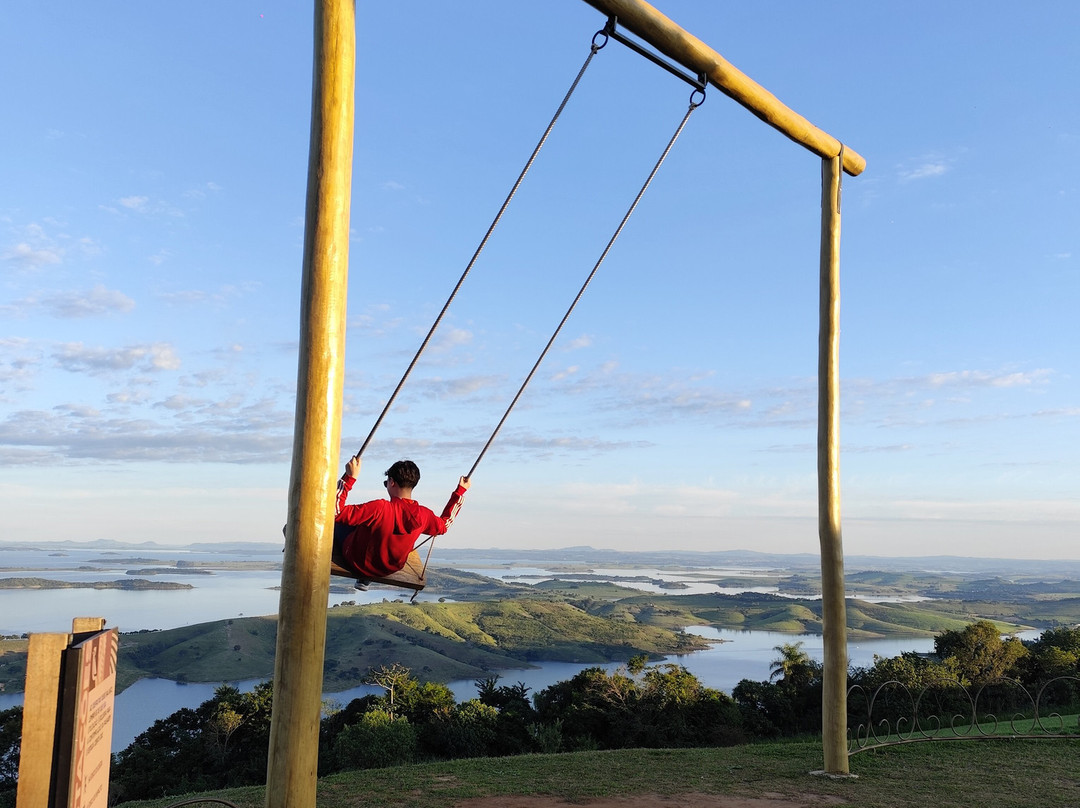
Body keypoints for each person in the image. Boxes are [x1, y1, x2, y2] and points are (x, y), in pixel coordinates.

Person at [334, 455, 470, 584]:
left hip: (358, 562)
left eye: (386, 482)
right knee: (365, 522)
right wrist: (459, 492)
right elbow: (444, 525)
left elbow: (336, 511)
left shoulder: (380, 508)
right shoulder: (424, 515)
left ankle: (362, 574)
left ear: (392, 482)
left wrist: (349, 478)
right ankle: (365, 579)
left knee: (338, 523)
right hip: (389, 569)